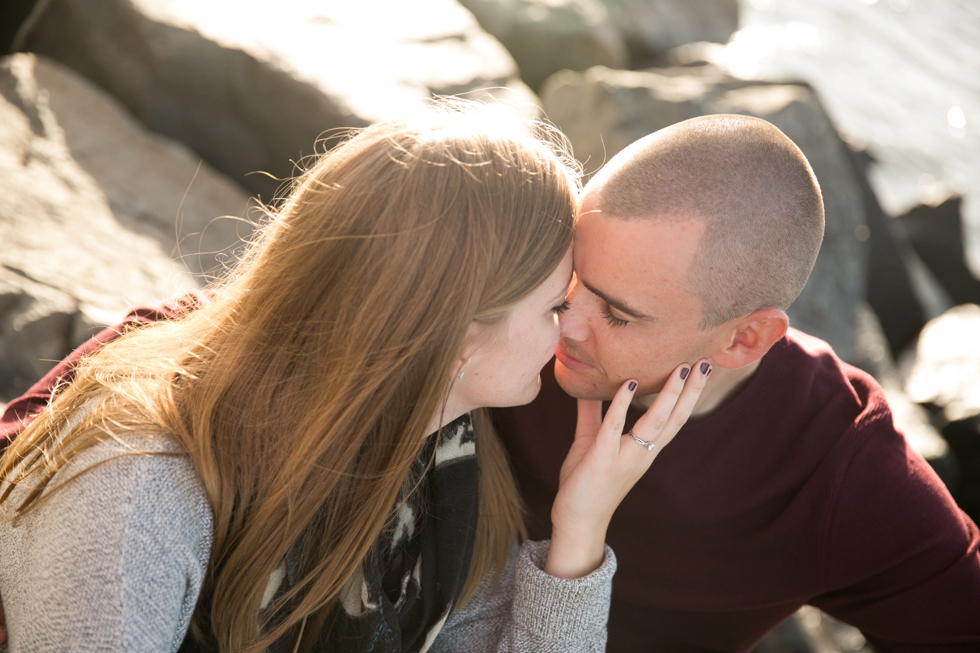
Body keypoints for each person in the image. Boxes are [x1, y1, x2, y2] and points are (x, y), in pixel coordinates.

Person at [0, 103, 710, 653]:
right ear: (458, 328)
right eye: (558, 304)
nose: (573, 330)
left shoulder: (444, 475)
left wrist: (579, 532)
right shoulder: (142, 484)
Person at [494, 114, 980, 652]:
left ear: (744, 339)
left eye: (616, 313)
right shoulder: (507, 303)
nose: (564, 319)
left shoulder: (835, 465)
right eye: (570, 276)